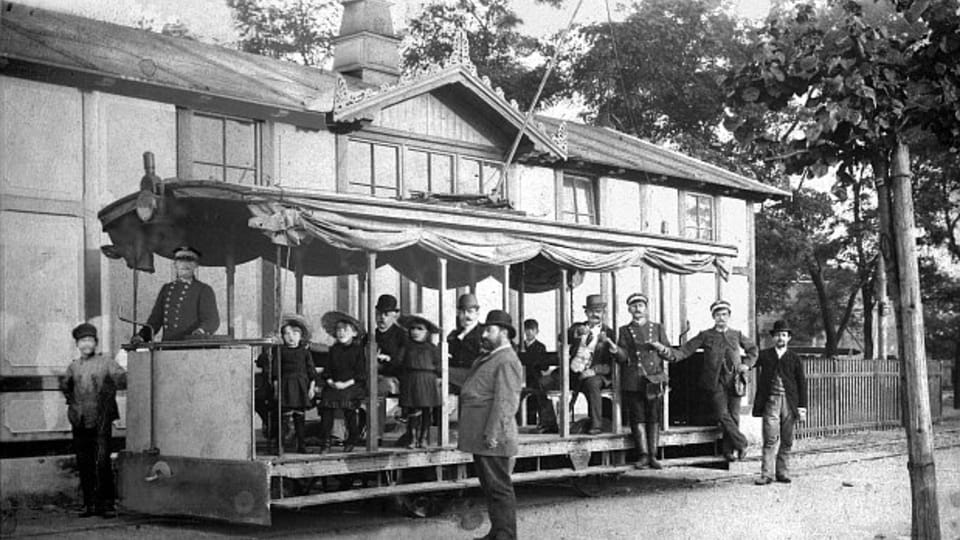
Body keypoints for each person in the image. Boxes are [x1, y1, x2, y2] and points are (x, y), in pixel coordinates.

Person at [656, 299, 758, 461]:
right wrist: (665, 351)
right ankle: (742, 442)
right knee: (722, 414)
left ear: (729, 316)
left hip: (735, 381)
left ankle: (728, 451)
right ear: (713, 317)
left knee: (734, 416)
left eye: (724, 314)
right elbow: (684, 351)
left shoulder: (736, 334)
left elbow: (753, 350)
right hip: (715, 382)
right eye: (718, 315)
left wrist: (746, 365)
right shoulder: (706, 335)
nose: (721, 318)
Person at [458, 310, 523, 540]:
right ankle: (498, 532)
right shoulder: (493, 356)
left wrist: (493, 433)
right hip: (483, 435)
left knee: (499, 488)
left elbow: (506, 401)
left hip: (492, 435)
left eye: (489, 330)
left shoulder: (506, 359)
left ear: (503, 333)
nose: (484, 334)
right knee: (491, 488)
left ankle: (505, 535)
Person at [60, 323, 126, 518]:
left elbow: (122, 380)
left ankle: (107, 505)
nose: (86, 344)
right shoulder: (73, 366)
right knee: (84, 462)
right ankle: (89, 505)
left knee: (101, 461)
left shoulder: (107, 363)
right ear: (77, 345)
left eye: (89, 340)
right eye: (82, 341)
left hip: (101, 420)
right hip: (79, 421)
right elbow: (66, 388)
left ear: (95, 343)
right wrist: (73, 407)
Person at [539, 294, 615, 435]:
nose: (595, 314)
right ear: (586, 313)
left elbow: (611, 362)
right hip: (572, 373)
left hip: (593, 374)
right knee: (544, 382)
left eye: (598, 311)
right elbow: (562, 337)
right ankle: (549, 423)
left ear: (603, 313)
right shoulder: (578, 327)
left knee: (592, 384)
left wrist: (595, 370)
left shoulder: (609, 333)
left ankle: (596, 425)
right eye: (591, 311)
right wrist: (576, 332)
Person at [612, 292, 672, 469]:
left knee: (653, 416)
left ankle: (653, 455)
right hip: (633, 379)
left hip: (653, 378)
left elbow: (668, 351)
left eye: (640, 306)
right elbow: (623, 357)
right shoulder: (624, 330)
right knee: (637, 417)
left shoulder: (657, 328)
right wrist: (615, 350)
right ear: (629, 309)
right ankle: (643, 455)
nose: (637, 309)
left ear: (646, 308)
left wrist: (660, 347)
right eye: (634, 306)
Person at [752, 320, 807, 485]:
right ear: (773, 338)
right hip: (771, 402)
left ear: (788, 338)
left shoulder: (794, 358)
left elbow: (801, 384)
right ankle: (766, 475)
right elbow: (749, 362)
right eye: (777, 335)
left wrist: (802, 407)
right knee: (770, 438)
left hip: (789, 404)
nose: (780, 338)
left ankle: (782, 473)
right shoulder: (765, 355)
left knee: (787, 439)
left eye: (783, 335)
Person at [132, 246, 219, 342]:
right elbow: (155, 320)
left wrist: (201, 331)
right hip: (167, 346)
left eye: (190, 261)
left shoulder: (203, 290)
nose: (185, 265)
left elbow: (212, 320)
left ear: (196, 265)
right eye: (180, 260)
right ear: (175, 264)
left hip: (191, 347)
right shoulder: (166, 289)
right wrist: (141, 336)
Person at [257, 314, 317, 453]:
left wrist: (312, 388)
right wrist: (277, 389)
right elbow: (276, 372)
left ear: (301, 335)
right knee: (284, 419)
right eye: (287, 334)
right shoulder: (280, 351)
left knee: (300, 418)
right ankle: (280, 446)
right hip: (286, 386)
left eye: (295, 333)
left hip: (301, 386)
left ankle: (301, 446)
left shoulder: (305, 352)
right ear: (282, 336)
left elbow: (311, 371)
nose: (291, 337)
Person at [317, 311, 367, 453]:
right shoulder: (334, 350)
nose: (341, 333)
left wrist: (345, 384)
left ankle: (352, 438)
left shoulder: (358, 350)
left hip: (352, 384)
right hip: (335, 384)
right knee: (327, 404)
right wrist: (331, 381)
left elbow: (360, 373)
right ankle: (325, 441)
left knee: (348, 405)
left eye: (345, 330)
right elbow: (328, 370)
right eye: (339, 330)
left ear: (354, 333)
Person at [395, 313, 442, 448]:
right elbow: (398, 363)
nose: (415, 331)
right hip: (410, 380)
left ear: (427, 332)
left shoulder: (432, 348)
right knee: (412, 411)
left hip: (427, 380)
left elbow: (438, 365)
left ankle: (424, 438)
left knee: (426, 410)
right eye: (413, 328)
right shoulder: (406, 347)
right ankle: (412, 438)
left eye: (420, 329)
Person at [447, 293, 484, 391]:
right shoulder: (454, 335)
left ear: (477, 313)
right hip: (455, 378)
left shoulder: (483, 333)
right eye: (462, 312)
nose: (466, 316)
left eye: (470, 311)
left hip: (476, 378)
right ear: (458, 314)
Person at [372, 294, 407, 395]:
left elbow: (400, 362)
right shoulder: (370, 336)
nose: (382, 318)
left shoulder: (402, 336)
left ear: (395, 315)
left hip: (395, 379)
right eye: (378, 314)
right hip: (373, 377)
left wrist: (387, 360)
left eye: (386, 314)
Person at [518, 319, 549, 430]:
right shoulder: (520, 347)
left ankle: (536, 424)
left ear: (537, 331)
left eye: (532, 329)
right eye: (527, 329)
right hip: (522, 378)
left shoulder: (540, 347)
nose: (529, 332)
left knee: (535, 401)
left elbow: (545, 367)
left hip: (535, 378)